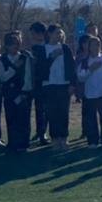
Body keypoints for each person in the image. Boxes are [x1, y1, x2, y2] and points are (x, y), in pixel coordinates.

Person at [36, 24, 74, 152]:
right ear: (50, 34)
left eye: (61, 33)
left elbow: (71, 67)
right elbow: (40, 69)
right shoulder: (43, 49)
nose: (60, 35)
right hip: (49, 85)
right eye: (57, 32)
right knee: (52, 114)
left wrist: (72, 84)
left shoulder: (65, 48)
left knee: (64, 113)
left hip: (63, 85)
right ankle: (55, 139)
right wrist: (52, 57)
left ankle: (64, 138)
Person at [77, 35, 102, 148]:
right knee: (91, 119)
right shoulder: (85, 61)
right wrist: (91, 69)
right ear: (89, 47)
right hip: (89, 94)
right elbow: (80, 77)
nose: (96, 47)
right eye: (93, 45)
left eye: (98, 44)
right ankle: (93, 141)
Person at [0, 32, 33, 152]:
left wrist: (25, 91)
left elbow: (28, 76)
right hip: (9, 94)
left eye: (17, 44)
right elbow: (3, 77)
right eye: (13, 44)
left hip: (22, 93)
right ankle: (13, 143)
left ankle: (24, 143)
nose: (16, 47)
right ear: (7, 46)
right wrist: (13, 68)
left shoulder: (24, 57)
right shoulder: (3, 59)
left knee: (23, 118)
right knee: (11, 118)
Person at [27, 22, 50, 145]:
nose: (32, 36)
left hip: (46, 81)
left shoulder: (47, 47)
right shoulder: (33, 47)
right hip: (36, 82)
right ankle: (40, 131)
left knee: (46, 108)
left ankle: (43, 132)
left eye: (33, 33)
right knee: (39, 108)